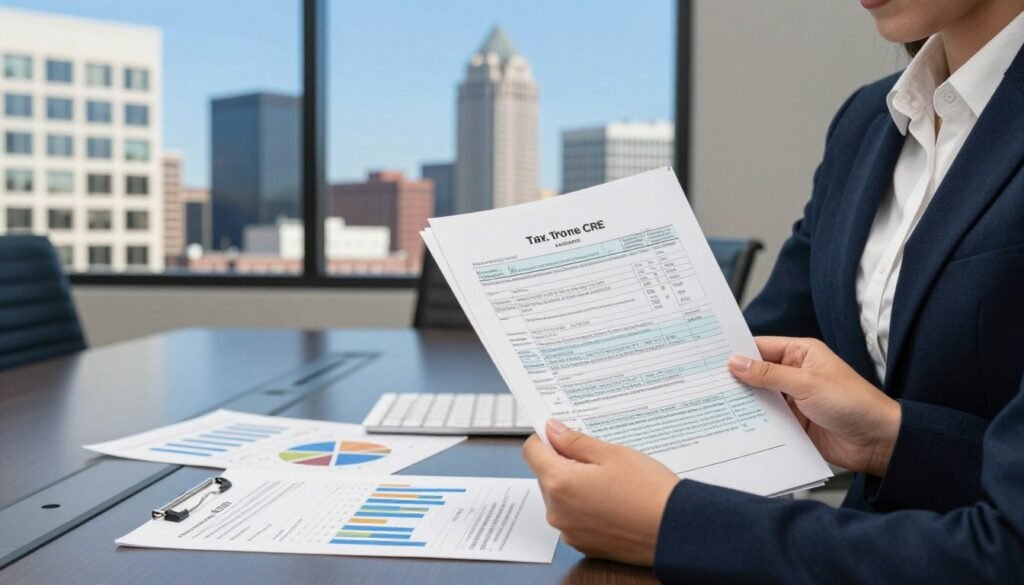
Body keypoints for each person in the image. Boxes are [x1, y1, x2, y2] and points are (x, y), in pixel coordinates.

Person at [523, 0, 1024, 581]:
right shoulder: (867, 122)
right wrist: (894, 440)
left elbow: (1009, 552)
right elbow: (762, 346)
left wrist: (673, 523)